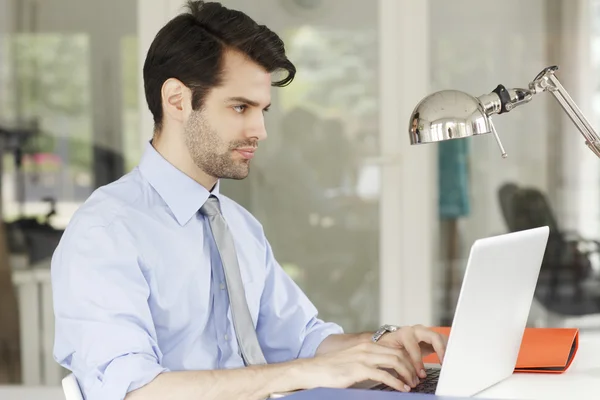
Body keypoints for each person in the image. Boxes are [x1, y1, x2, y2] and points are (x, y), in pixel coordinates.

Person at [51, 2, 448, 399]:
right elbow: (133, 391)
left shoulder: (237, 225)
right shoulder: (105, 233)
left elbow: (303, 340)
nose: (260, 130)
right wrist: (301, 373)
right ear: (176, 100)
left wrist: (380, 347)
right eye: (240, 107)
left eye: (263, 110)